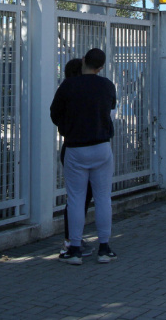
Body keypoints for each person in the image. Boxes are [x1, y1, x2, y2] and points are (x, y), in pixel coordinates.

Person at [50, 48, 118, 265]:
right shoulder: (107, 85)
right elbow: (111, 108)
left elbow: (54, 113)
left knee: (76, 199)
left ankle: (75, 249)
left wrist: (67, 126)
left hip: (76, 147)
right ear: (101, 67)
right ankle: (105, 248)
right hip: (101, 146)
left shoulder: (69, 85)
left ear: (83, 61)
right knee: (103, 198)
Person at [57, 59, 94, 259]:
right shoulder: (75, 92)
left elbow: (56, 116)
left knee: (81, 196)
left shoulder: (67, 91)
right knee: (78, 197)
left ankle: (74, 238)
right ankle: (70, 241)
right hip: (76, 147)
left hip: (71, 145)